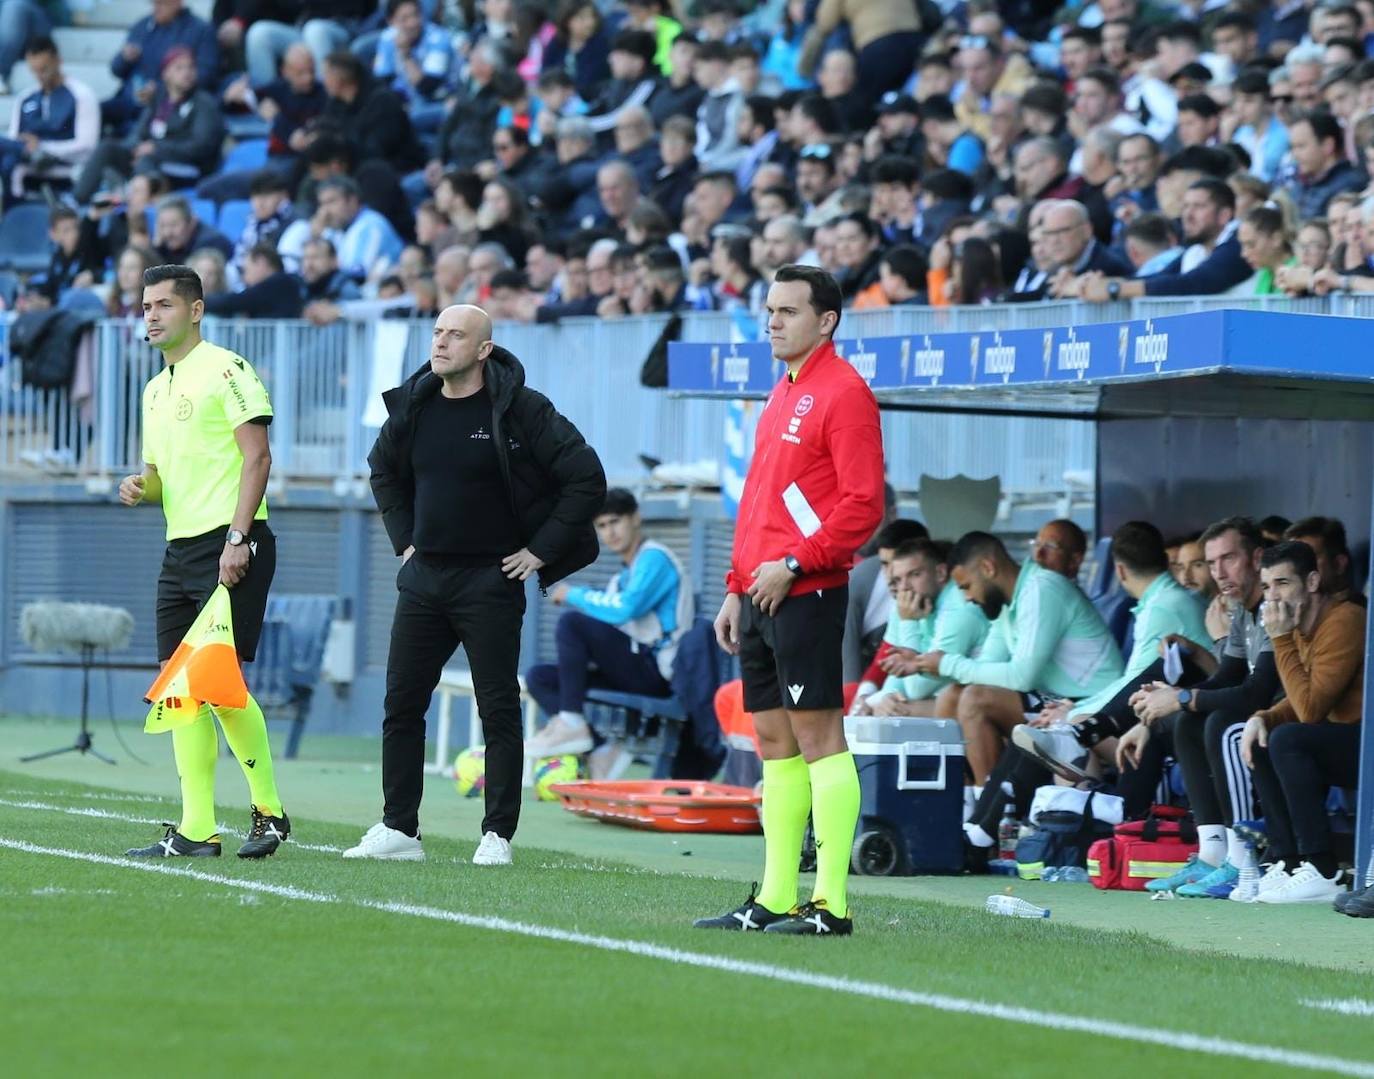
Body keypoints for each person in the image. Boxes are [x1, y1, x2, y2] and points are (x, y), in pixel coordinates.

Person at [349, 305, 606, 866]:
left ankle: (497, 835)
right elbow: (382, 469)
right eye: (437, 332)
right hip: (423, 578)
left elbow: (586, 478)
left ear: (483, 349)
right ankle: (399, 829)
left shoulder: (522, 409)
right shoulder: (416, 404)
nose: (440, 343)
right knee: (401, 705)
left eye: (455, 335)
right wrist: (405, 540)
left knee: (498, 709)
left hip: (490, 580)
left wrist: (539, 551)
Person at [695, 264, 884, 937]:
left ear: (826, 320)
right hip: (758, 594)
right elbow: (760, 502)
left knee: (818, 737)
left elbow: (865, 504)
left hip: (807, 589)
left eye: (787, 311)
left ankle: (832, 903)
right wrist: (733, 588)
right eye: (769, 309)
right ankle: (774, 897)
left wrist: (796, 562)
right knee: (773, 741)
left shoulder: (845, 391)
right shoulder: (783, 390)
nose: (772, 321)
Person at [117, 264, 287, 859]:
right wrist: (144, 489)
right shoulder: (154, 390)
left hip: (231, 541)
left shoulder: (227, 368)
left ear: (195, 310)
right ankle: (197, 830)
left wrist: (238, 539)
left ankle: (269, 812)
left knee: (218, 684)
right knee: (178, 685)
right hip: (180, 547)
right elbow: (163, 479)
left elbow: (258, 458)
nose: (152, 316)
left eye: (164, 305)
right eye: (145, 307)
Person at [1118, 516, 1280, 898]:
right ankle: (1212, 854)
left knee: (1218, 724)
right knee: (1188, 723)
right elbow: (1227, 676)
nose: (1219, 572)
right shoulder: (1241, 608)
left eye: (1229, 559)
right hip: (1255, 715)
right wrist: (1169, 704)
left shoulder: (1275, 605)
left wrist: (1182, 698)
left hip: (1281, 715)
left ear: (1257, 558)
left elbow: (1257, 692)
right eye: (1212, 563)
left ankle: (1243, 862)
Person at [905, 531, 1123, 785]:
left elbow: (1021, 676)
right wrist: (929, 665)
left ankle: (985, 800)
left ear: (987, 568)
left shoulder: (1042, 589)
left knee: (976, 700)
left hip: (1093, 706)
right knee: (953, 694)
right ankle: (961, 794)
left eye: (967, 587)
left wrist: (945, 663)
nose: (967, 597)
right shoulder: (1008, 604)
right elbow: (985, 667)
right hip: (1057, 699)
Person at [1012, 521, 1211, 785]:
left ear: (1119, 570)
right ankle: (1068, 811)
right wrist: (1075, 708)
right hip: (1170, 712)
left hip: (1180, 718)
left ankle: (1081, 814)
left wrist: (1073, 712)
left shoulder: (1164, 606)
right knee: (1067, 727)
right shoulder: (1163, 601)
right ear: (1164, 560)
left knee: (1070, 726)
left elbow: (1137, 684)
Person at [524, 488, 694, 778]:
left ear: (635, 518)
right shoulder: (621, 578)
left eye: (615, 521)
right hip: (632, 669)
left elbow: (624, 610)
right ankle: (602, 750)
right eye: (601, 526)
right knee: (539, 678)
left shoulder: (655, 559)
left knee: (572, 623)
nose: (610, 532)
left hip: (659, 673)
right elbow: (614, 621)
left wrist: (574, 594)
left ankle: (570, 721)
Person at [1242, 541, 1365, 904]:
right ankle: (1290, 861)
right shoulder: (1298, 626)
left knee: (1289, 740)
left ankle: (1323, 869)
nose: (1272, 598)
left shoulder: (1345, 619)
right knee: (1264, 738)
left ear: (1312, 582)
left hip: (1367, 742)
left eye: (1282, 584)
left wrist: (1280, 640)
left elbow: (1310, 710)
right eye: (1266, 587)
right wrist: (1261, 717)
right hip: (1344, 738)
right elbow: (1299, 701)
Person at [75, 46, 224, 204]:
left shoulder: (204, 103)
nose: (186, 73)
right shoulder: (159, 100)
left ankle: (138, 204)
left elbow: (201, 146)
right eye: (179, 68)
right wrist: (134, 150)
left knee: (146, 160)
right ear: (165, 73)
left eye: (190, 67)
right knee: (108, 148)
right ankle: (77, 201)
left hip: (187, 167)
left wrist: (158, 148)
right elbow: (139, 133)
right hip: (150, 160)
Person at [867, 539, 990, 717]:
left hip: (981, 703)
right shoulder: (917, 603)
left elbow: (917, 688)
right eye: (898, 580)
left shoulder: (961, 610)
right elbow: (897, 669)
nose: (904, 587)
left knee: (901, 713)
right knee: (883, 709)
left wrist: (909, 622)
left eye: (914, 574)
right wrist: (888, 696)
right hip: (946, 699)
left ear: (940, 573)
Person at [2, 36, 99, 202]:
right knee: (9, 159)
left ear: (58, 61)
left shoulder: (82, 95)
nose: (40, 76)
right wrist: (25, 146)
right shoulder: (25, 98)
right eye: (34, 70)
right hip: (26, 165)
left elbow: (87, 147)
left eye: (44, 69)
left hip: (65, 167)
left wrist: (43, 147)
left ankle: (32, 153)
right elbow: (13, 137)